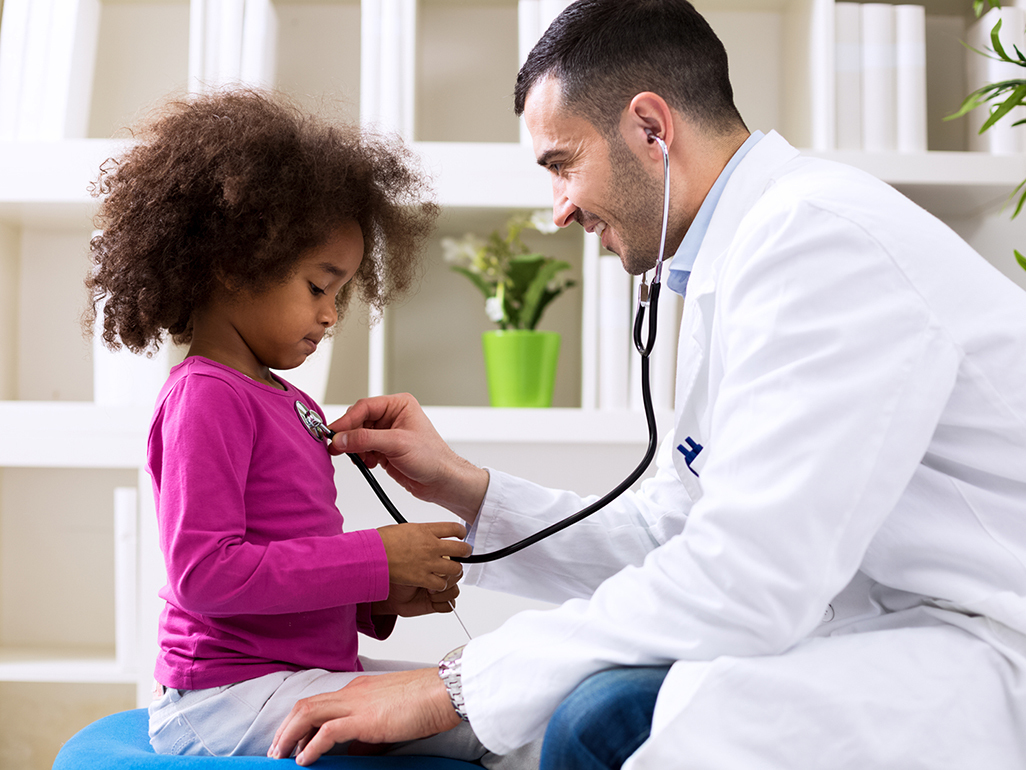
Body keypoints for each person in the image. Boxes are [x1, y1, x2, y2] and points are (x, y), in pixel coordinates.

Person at [269, 1, 1026, 768]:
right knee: (600, 712)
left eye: (562, 163)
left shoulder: (818, 241)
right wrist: (468, 490)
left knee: (604, 721)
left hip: (988, 646)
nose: (559, 208)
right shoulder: (741, 256)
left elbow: (748, 572)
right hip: (895, 628)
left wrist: (455, 685)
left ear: (652, 129)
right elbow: (679, 536)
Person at [84, 89, 538, 767]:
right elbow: (206, 575)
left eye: (342, 293)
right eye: (318, 286)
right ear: (236, 264)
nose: (331, 315)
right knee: (497, 721)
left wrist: (377, 597)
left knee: (508, 698)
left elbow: (281, 570)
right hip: (225, 697)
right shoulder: (206, 397)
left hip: (285, 678)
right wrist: (375, 557)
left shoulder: (283, 398)